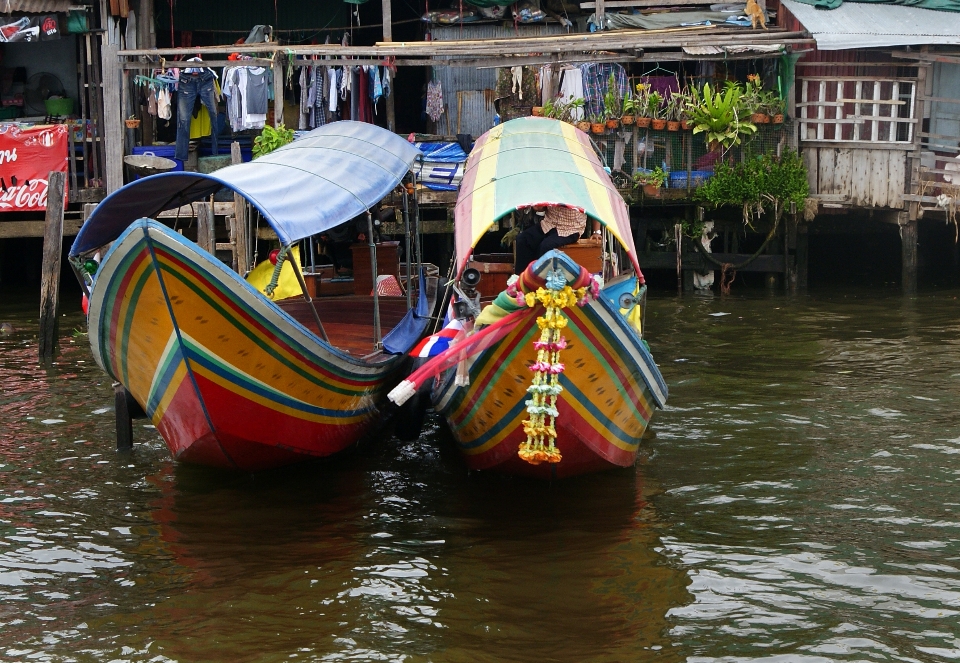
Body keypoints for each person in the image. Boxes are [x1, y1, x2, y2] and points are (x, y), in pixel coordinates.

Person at [513, 205, 601, 274]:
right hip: (549, 223)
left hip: (571, 227)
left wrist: (596, 232)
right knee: (523, 239)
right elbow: (542, 209)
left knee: (546, 246)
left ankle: (540, 286)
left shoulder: (582, 183)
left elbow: (595, 205)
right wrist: (539, 209)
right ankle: (522, 281)